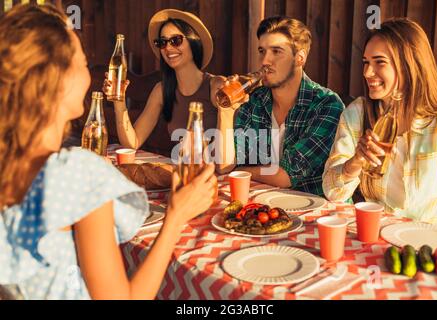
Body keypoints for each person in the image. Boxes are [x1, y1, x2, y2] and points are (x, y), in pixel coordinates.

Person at [0, 4, 217, 300]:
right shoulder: (76, 171)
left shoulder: (8, 166)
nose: (90, 73)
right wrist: (176, 217)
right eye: (83, 63)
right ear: (59, 79)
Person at [322, 18, 437, 224]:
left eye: (379, 62)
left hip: (432, 243)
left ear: (410, 64)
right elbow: (332, 192)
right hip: (376, 236)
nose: (367, 73)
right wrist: (355, 162)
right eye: (366, 62)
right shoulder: (357, 113)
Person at [216, 16, 344, 197]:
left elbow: (286, 176)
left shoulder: (326, 105)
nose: (265, 61)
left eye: (276, 51)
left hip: (314, 214)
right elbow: (225, 165)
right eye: (262, 51)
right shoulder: (255, 100)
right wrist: (227, 111)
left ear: (299, 58)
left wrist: (241, 170)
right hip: (266, 207)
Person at [104, 9, 224, 151]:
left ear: (194, 42)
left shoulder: (215, 85)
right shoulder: (161, 90)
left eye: (175, 40)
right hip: (181, 171)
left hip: (215, 171)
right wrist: (119, 101)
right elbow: (132, 142)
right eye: (162, 42)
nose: (168, 47)